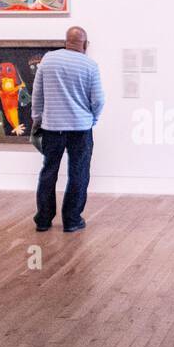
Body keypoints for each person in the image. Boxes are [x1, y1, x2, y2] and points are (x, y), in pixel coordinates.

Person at [31, 26, 105, 232]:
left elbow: (37, 95)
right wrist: (93, 119)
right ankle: (72, 220)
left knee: (48, 172)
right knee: (79, 172)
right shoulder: (90, 65)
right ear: (85, 44)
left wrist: (37, 120)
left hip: (52, 127)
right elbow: (98, 99)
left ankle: (44, 219)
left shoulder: (48, 60)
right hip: (81, 128)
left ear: (66, 41)